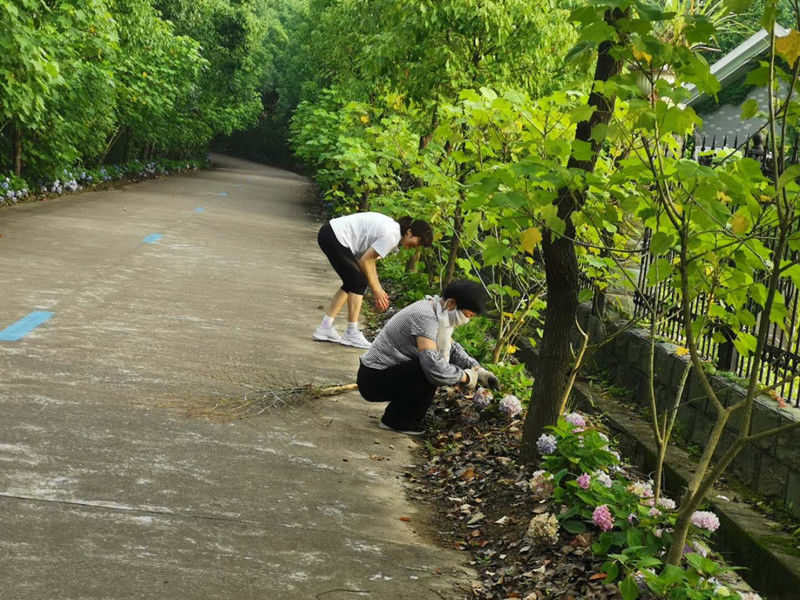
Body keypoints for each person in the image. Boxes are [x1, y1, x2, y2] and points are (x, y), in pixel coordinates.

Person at [357, 280, 499, 435]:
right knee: (430, 366)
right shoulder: (425, 316)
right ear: (451, 303)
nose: (467, 321)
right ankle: (398, 421)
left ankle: (399, 417)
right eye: (467, 315)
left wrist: (478, 370)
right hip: (373, 380)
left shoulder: (438, 313)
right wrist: (465, 377)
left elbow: (453, 349)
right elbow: (433, 365)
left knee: (433, 364)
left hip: (385, 374)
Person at [313, 212, 433, 349]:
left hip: (331, 234)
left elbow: (369, 261)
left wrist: (377, 286)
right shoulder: (392, 235)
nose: (417, 246)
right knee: (358, 282)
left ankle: (325, 327)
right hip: (335, 236)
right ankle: (351, 333)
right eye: (419, 242)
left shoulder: (393, 232)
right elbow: (365, 261)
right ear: (409, 232)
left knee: (353, 282)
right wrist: (376, 290)